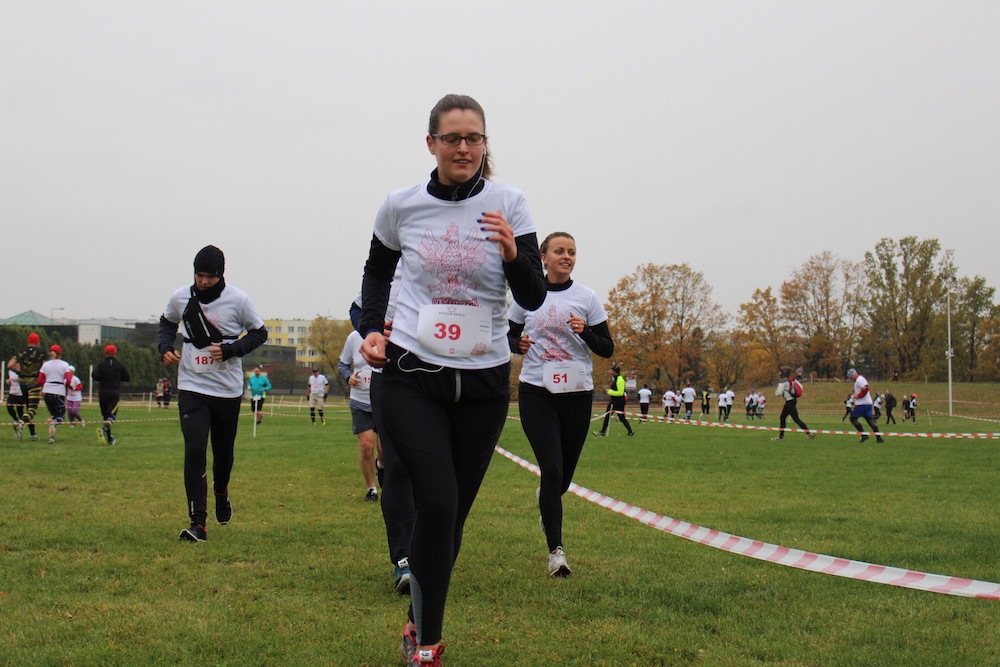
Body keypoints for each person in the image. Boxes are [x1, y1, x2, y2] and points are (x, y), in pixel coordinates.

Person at [357, 94, 545, 665]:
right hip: (413, 374)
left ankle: (416, 621)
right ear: (431, 143)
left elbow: (534, 295)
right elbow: (376, 271)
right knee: (437, 501)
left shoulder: (510, 203)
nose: (463, 147)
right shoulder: (402, 205)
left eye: (474, 138)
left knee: (452, 514)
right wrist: (372, 328)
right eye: (452, 138)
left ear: (485, 144)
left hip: (483, 384)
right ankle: (428, 645)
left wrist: (513, 255)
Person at [508, 231, 614, 578]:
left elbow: (607, 348)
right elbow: (507, 334)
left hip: (577, 394)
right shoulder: (527, 295)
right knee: (552, 468)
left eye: (571, 252)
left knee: (562, 478)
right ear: (544, 257)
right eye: (559, 251)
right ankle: (557, 553)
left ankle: (547, 497)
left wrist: (585, 332)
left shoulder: (586, 297)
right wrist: (516, 344)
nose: (567, 257)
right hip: (537, 392)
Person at [158, 245, 268, 542]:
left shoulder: (238, 299)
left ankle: (221, 491)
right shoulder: (180, 297)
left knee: (223, 454)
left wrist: (233, 349)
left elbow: (260, 332)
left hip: (227, 390)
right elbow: (167, 322)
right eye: (199, 275)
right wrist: (165, 347)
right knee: (195, 448)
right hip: (191, 386)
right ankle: (198, 522)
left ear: (221, 275)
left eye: (210, 276)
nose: (204, 281)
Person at [338, 330, 383, 502]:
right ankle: (372, 490)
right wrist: (348, 377)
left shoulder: (389, 334)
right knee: (366, 445)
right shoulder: (353, 337)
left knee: (383, 450)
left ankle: (381, 465)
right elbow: (342, 365)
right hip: (359, 401)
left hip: (384, 401)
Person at [7, 332, 46, 441]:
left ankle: (32, 434)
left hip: (23, 384)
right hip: (34, 383)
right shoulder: (41, 353)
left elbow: (10, 364)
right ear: (38, 341)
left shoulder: (20, 352)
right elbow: (45, 367)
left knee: (27, 409)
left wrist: (19, 372)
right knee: (32, 409)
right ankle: (21, 423)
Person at [92, 344, 130, 445]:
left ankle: (109, 439)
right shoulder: (119, 365)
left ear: (105, 353)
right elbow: (127, 377)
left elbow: (94, 375)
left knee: (105, 416)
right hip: (114, 393)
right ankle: (104, 430)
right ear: (115, 353)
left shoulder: (100, 365)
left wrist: (103, 378)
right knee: (111, 415)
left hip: (103, 393)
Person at [37, 344, 73, 444]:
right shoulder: (64, 364)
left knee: (53, 414)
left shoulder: (45, 365)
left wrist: (48, 383)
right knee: (60, 417)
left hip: (47, 392)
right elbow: (69, 380)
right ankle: (53, 423)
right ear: (60, 354)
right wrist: (65, 388)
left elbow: (39, 381)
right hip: (59, 391)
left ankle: (52, 436)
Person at [771, 367, 815, 441]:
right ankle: (809, 433)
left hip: (789, 402)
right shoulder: (792, 381)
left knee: (790, 419)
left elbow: (778, 393)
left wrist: (778, 389)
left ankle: (781, 437)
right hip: (793, 400)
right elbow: (801, 387)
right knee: (787, 418)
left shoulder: (783, 383)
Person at [593, 365, 634, 437]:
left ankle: (602, 432)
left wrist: (610, 391)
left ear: (615, 372)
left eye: (612, 371)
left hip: (618, 401)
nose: (610, 372)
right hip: (615, 400)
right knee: (614, 416)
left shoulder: (620, 380)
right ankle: (630, 432)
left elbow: (620, 393)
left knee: (617, 416)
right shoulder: (616, 379)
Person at [846, 368, 884, 443]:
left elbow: (866, 388)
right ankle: (879, 438)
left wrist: (858, 396)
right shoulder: (859, 380)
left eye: (850, 378)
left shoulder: (859, 379)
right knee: (870, 420)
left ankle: (864, 435)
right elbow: (863, 388)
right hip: (868, 404)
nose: (851, 379)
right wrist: (855, 390)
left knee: (852, 418)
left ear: (853, 376)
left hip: (861, 404)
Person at [6, 369, 28, 439]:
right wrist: (8, 381)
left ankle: (20, 429)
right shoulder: (10, 371)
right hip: (12, 392)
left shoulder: (22, 370)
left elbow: (24, 380)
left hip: (20, 393)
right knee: (9, 406)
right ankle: (15, 419)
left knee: (20, 410)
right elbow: (8, 379)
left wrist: (20, 379)